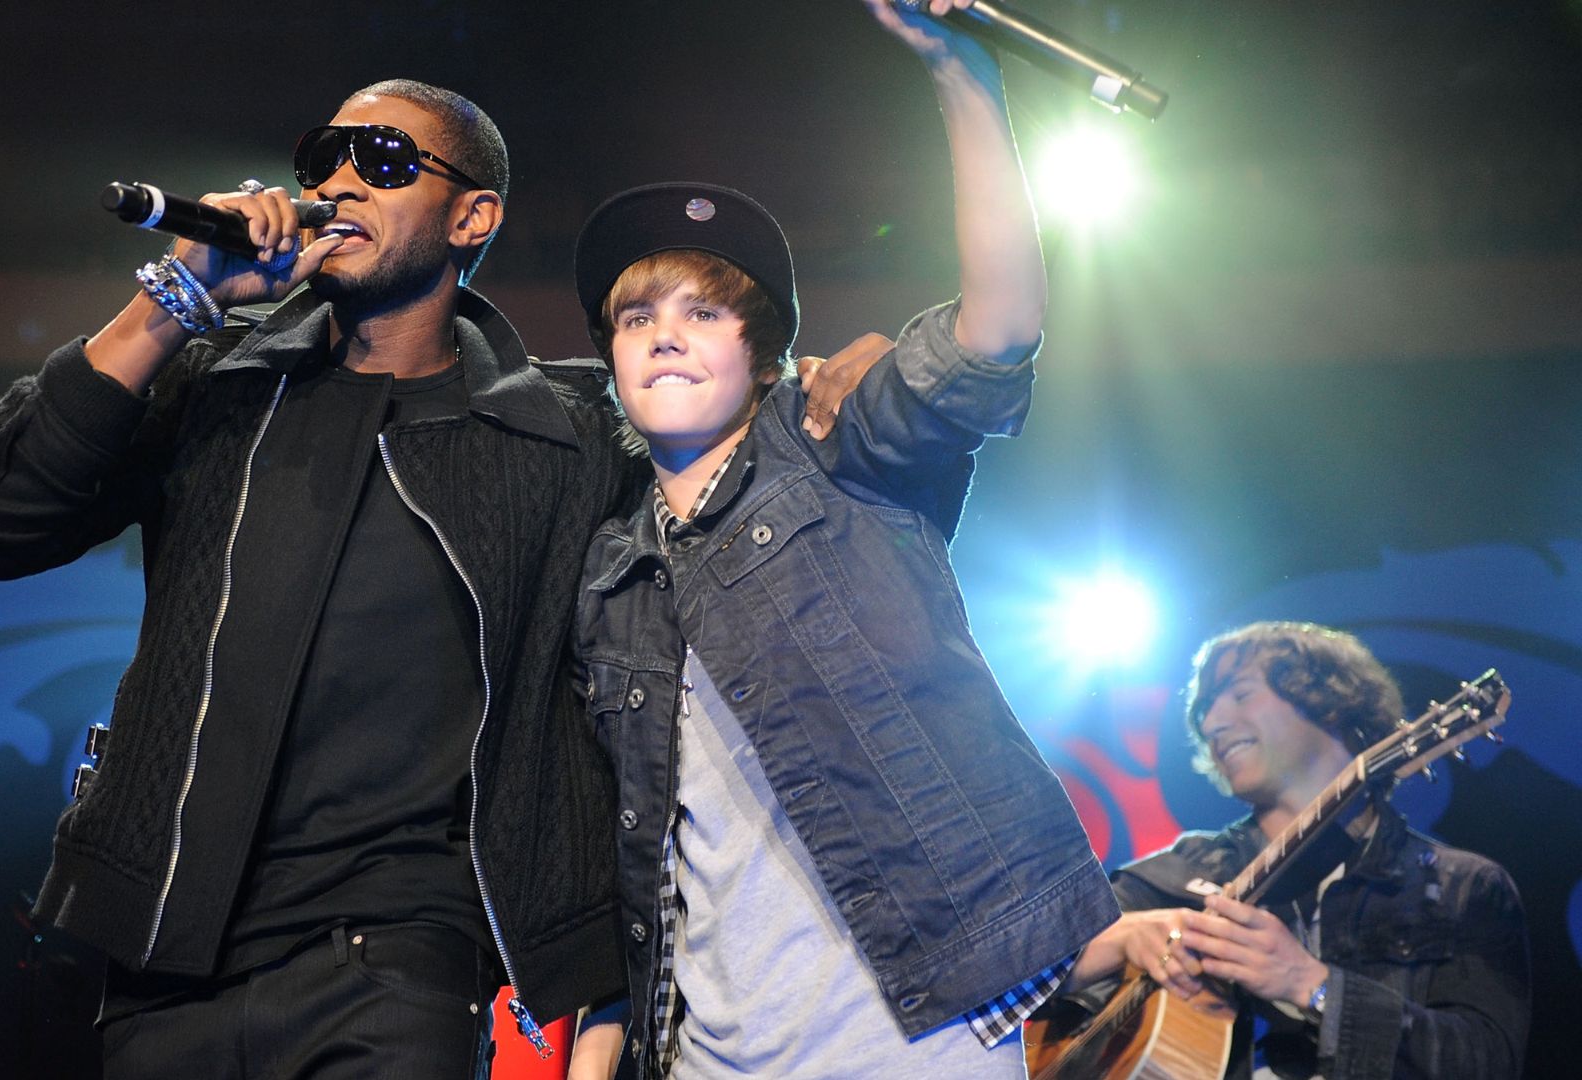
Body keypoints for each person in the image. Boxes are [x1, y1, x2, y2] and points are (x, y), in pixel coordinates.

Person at [0, 79, 651, 1079]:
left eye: (386, 162)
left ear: (473, 214)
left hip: (398, 958)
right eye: (325, 158)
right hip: (168, 956)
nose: (341, 183)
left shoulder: (565, 433)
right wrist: (176, 301)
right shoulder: (216, 382)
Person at [563, 3, 1121, 1076]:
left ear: (765, 356)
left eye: (705, 311)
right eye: (638, 316)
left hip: (918, 1024)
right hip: (705, 1051)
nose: (666, 331)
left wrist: (959, 71)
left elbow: (995, 331)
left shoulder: (835, 447)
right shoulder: (608, 570)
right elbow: (625, 849)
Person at [1052, 622, 1532, 1079]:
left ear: (1327, 703)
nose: (1213, 724)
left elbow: (1487, 1062)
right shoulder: (1168, 880)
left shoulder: (1460, 888)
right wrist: (1115, 939)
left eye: (1239, 694)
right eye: (1204, 714)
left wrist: (1312, 987)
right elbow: (1007, 1000)